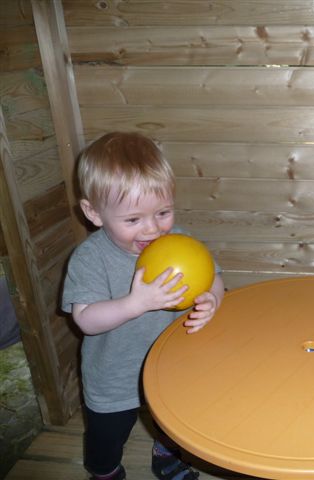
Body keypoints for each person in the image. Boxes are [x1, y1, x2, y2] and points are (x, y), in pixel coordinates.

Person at [62, 132, 225, 480]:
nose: (152, 229)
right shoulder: (90, 258)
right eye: (133, 219)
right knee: (106, 440)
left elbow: (212, 279)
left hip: (172, 368)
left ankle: (167, 456)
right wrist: (135, 304)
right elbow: (86, 319)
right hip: (113, 379)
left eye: (163, 212)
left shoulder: (180, 241)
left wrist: (212, 299)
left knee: (173, 424)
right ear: (94, 213)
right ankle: (105, 472)